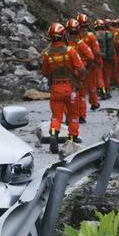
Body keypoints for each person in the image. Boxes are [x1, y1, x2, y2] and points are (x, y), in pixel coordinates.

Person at [42, 22, 84, 154]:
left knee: (56, 116)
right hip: (70, 88)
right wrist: (79, 79)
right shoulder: (70, 51)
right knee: (73, 115)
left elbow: (45, 72)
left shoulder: (47, 54)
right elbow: (80, 68)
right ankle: (71, 140)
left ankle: (54, 134)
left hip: (56, 89)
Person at [66, 18, 95, 124]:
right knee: (81, 95)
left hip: (69, 73)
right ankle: (81, 116)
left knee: (69, 95)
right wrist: (87, 67)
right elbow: (91, 56)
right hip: (81, 71)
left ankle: (71, 116)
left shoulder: (65, 45)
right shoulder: (81, 44)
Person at [77, 13, 102, 112]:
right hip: (90, 63)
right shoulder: (91, 36)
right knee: (92, 84)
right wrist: (98, 61)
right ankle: (94, 103)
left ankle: (77, 105)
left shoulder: (75, 37)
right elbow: (96, 51)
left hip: (78, 65)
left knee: (79, 86)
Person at [94, 19, 115, 100]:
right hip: (108, 57)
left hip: (98, 57)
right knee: (107, 76)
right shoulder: (109, 34)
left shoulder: (94, 35)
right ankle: (108, 91)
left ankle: (102, 92)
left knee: (99, 76)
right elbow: (113, 46)